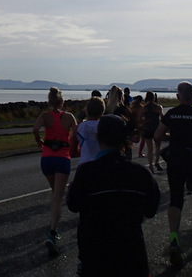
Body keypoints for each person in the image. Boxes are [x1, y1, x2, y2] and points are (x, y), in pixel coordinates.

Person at [67, 115, 160, 277]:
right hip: (133, 255)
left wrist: (72, 188)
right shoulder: (141, 174)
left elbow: (73, 205)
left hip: (95, 256)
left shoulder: (86, 172)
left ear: (98, 137)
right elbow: (151, 210)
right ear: (124, 139)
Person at [154, 81, 192, 268]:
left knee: (175, 198)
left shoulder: (172, 113)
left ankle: (174, 238)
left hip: (176, 159)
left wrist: (173, 137)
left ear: (178, 97)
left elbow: (157, 136)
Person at [33, 87, 78, 256]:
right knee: (58, 197)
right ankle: (52, 232)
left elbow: (35, 129)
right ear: (62, 101)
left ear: (49, 100)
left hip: (47, 159)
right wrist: (74, 146)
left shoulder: (45, 116)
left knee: (55, 194)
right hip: (62, 158)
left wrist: (39, 141)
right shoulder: (69, 117)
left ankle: (54, 225)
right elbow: (77, 133)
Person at [140, 91, 164, 174]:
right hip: (156, 129)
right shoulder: (158, 107)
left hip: (147, 128)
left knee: (149, 148)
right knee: (157, 147)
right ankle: (156, 161)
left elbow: (140, 118)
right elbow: (162, 117)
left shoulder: (144, 107)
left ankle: (150, 166)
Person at [76, 96, 104, 166]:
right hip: (100, 162)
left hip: (84, 163)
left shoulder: (81, 126)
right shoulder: (103, 126)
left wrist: (82, 115)